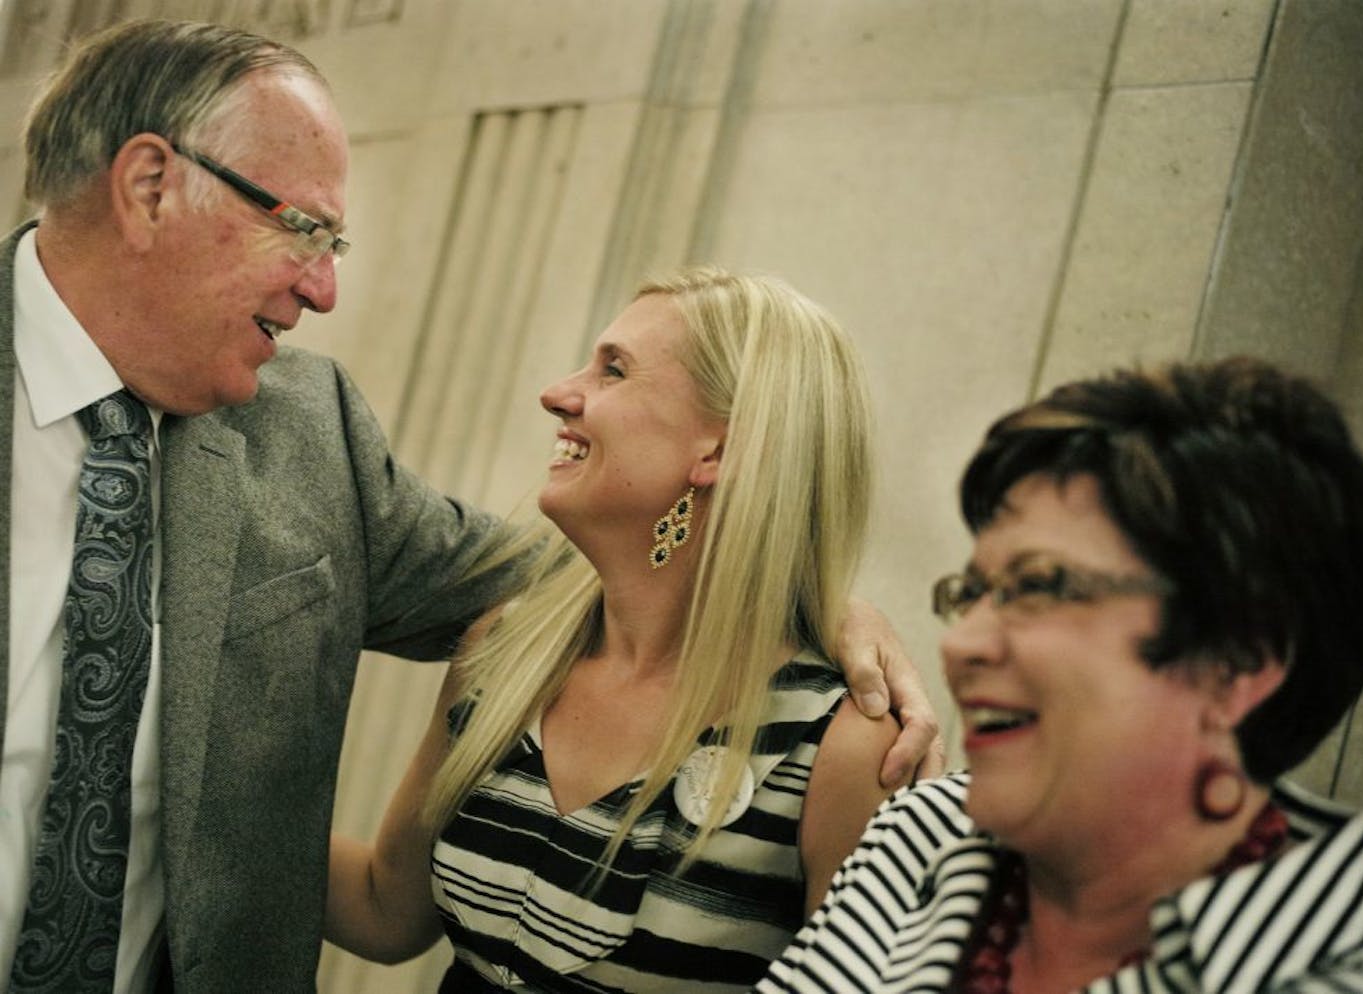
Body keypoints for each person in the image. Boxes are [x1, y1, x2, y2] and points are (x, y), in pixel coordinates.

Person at [0, 19, 938, 994]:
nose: (323, 286)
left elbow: (597, 585)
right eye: (306, 228)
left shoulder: (311, 434)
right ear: (152, 186)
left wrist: (812, 607)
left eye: (614, 367)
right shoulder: (507, 668)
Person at [757, 357, 1363, 993]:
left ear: (1235, 665)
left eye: (1040, 586)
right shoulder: (921, 831)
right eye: (973, 591)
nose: (961, 644)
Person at [324, 266, 905, 991]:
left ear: (717, 452)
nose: (558, 393)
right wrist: (174, 787)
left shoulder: (839, 749)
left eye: (613, 371)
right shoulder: (505, 652)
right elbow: (386, 911)